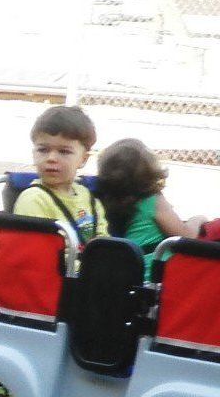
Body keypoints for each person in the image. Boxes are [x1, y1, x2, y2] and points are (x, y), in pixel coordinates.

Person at [96, 138, 197, 277]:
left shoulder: (107, 201)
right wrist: (197, 220)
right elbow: (186, 237)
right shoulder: (153, 201)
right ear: (149, 171)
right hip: (155, 277)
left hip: (126, 274)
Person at [13, 104, 99, 246]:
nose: (51, 158)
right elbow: (36, 251)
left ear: (83, 159)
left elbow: (103, 241)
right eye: (43, 150)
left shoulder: (87, 197)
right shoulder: (34, 199)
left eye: (64, 151)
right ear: (33, 153)